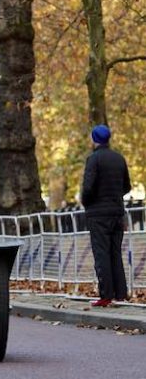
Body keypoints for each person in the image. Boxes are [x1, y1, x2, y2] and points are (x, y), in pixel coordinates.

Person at [82, 124, 131, 307]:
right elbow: (127, 186)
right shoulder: (119, 158)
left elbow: (88, 187)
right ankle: (121, 292)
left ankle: (106, 295)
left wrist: (87, 202)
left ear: (94, 139)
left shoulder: (94, 159)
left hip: (98, 214)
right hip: (117, 212)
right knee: (115, 253)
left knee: (101, 253)